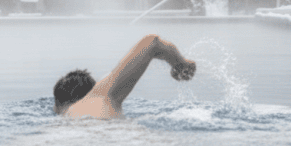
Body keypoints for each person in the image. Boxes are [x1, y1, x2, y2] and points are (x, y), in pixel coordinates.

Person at [53, 34, 196, 119]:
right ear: (93, 89)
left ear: (57, 107)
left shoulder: (68, 118)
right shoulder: (100, 96)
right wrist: (181, 65)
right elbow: (152, 42)